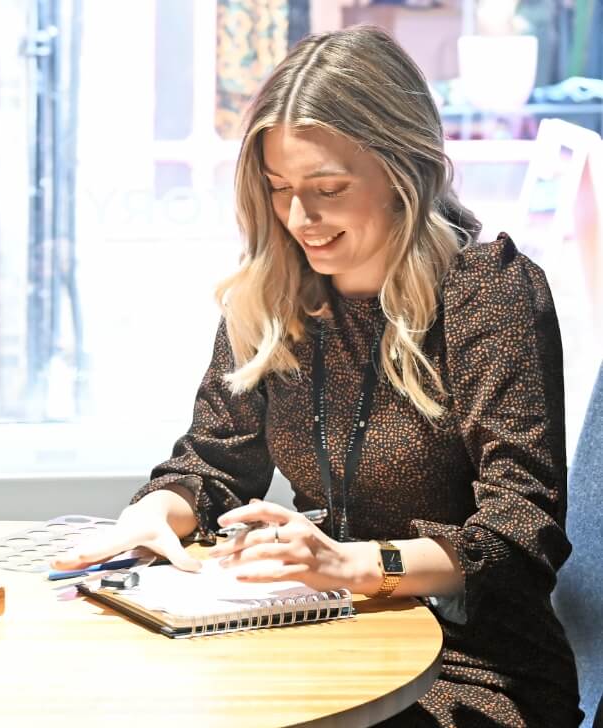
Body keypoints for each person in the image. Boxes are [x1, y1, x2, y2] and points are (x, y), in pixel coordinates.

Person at [53, 26, 583, 727]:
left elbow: (520, 535)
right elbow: (211, 463)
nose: (301, 219)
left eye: (328, 189)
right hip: (332, 636)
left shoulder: (490, 293)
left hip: (475, 671)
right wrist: (151, 517)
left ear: (404, 173)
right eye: (279, 189)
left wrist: (357, 566)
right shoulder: (277, 297)